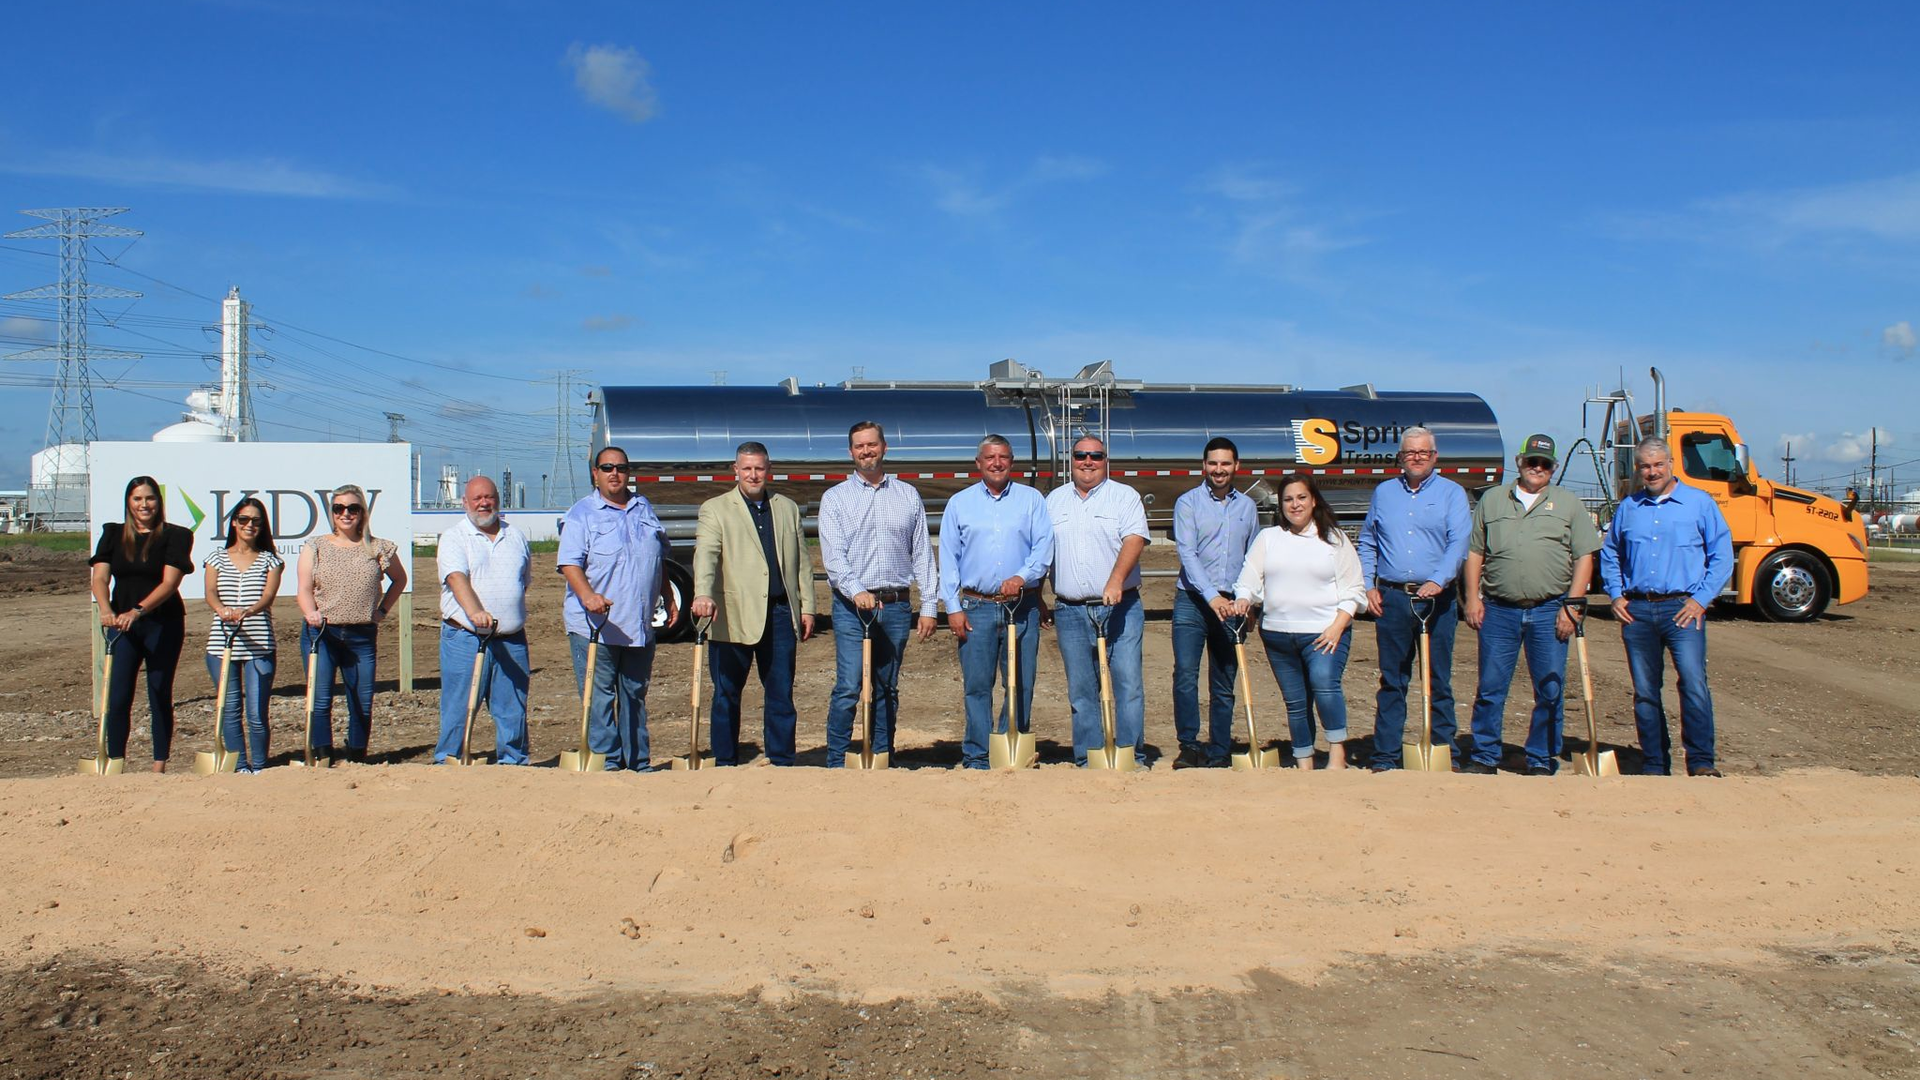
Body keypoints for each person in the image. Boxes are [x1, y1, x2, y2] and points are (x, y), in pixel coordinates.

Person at [1461, 434, 1602, 775]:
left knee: (1550, 689)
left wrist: (1572, 605)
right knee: (1491, 687)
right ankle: (1484, 755)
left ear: (1553, 468)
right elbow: (1475, 552)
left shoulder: (1568, 504)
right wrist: (1472, 598)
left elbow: (1585, 555)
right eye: (1531, 462)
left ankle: (1540, 757)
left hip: (1549, 609)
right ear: (1519, 462)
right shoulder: (1493, 500)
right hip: (1499, 610)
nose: (1537, 468)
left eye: (1545, 464)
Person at [1599, 436, 1735, 777]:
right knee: (1645, 692)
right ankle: (1655, 763)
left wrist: (1700, 600)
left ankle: (1701, 762)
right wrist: (1615, 594)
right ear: (1638, 469)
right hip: (1638, 611)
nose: (1652, 471)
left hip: (1683, 610)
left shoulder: (1699, 504)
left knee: (1693, 684)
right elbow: (1611, 554)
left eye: (1658, 464)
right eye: (1645, 466)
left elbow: (1721, 556)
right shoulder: (1629, 508)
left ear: (1671, 464)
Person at [817, 422, 939, 767]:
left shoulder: (907, 495)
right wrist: (856, 590)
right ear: (851, 452)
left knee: (886, 686)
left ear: (884, 447)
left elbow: (922, 553)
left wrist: (929, 605)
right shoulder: (835, 498)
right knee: (848, 686)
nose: (866, 451)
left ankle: (883, 755)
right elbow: (834, 557)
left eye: (872, 444)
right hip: (852, 609)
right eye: (859, 446)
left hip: (895, 606)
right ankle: (837, 760)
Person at [691, 442, 817, 766]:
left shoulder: (787, 508)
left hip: (780, 615)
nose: (753, 475)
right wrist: (702, 593)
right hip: (732, 616)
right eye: (746, 468)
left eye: (759, 468)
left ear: (769, 469)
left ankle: (782, 760)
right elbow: (706, 555)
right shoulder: (715, 509)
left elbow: (802, 561)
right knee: (726, 694)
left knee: (781, 694)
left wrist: (807, 607)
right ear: (735, 470)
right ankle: (725, 761)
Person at [1356, 426, 1472, 771]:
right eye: (1410, 452)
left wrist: (1438, 580)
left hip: (1438, 601)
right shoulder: (1384, 493)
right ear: (1400, 457)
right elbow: (1368, 541)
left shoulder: (1452, 493)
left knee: (1438, 678)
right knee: (1392, 680)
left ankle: (1443, 749)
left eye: (1423, 452)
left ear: (1434, 456)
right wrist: (1368, 585)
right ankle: (1386, 755)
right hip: (1393, 599)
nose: (1417, 458)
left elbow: (1459, 543)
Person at [1232, 474, 1366, 769]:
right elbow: (1248, 578)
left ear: (1314, 500)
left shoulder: (1334, 539)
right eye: (1288, 499)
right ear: (1280, 505)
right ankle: (1303, 760)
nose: (1295, 505)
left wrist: (1337, 627)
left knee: (1324, 685)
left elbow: (1354, 589)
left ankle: (1337, 755)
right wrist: (1244, 598)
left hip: (1324, 634)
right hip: (1278, 635)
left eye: (1301, 497)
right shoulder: (1269, 538)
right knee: (1295, 701)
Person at [937, 434, 1054, 770]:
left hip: (1022, 606)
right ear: (979, 463)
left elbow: (1043, 547)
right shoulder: (959, 504)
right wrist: (953, 607)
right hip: (977, 608)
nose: (996, 463)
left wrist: (1022, 576)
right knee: (977, 686)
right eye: (990, 457)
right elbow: (949, 558)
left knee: (1021, 683)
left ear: (1011, 462)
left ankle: (1010, 747)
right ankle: (977, 755)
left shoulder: (1032, 500)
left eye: (1003, 457)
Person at [558, 446, 675, 771]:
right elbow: (569, 563)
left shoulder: (643, 508)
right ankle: (607, 765)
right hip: (595, 627)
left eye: (621, 468)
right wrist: (588, 596)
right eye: (607, 468)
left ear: (628, 473)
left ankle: (638, 763)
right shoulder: (581, 514)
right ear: (595, 473)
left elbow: (658, 557)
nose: (615, 473)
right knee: (599, 700)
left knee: (634, 695)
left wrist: (668, 595)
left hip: (638, 625)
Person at [1045, 435, 1150, 767]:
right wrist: (1035, 594)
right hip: (1070, 610)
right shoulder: (1054, 501)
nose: (1087, 461)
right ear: (1071, 459)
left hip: (1120, 608)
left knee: (1128, 684)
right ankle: (1089, 757)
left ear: (1106, 460)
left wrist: (1115, 581)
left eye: (1095, 455)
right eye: (1080, 455)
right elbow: (1041, 550)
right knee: (1081, 690)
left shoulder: (1124, 496)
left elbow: (1135, 539)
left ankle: (1131, 755)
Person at [88, 476, 195, 772]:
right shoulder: (113, 534)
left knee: (159, 691)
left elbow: (170, 583)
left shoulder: (176, 535)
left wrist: (138, 611)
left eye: (150, 498)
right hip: (121, 626)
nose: (144, 505)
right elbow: (100, 578)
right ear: (128, 502)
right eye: (137, 499)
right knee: (118, 695)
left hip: (162, 623)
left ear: (158, 502)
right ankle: (115, 761)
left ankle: (159, 764)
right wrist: (106, 609)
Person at [296, 483, 407, 766]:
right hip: (322, 633)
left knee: (361, 700)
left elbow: (399, 579)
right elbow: (304, 588)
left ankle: (357, 756)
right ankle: (323, 755)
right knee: (320, 699)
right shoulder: (315, 546)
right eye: (339, 508)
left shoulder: (379, 547)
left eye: (353, 508)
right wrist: (310, 612)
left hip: (361, 636)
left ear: (362, 513)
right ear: (332, 513)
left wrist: (382, 611)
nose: (346, 514)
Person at [1170, 436, 1260, 768]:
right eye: (1213, 463)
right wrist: (1212, 597)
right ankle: (1189, 745)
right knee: (1185, 675)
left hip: (1233, 604)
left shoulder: (1247, 507)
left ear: (1236, 466)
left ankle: (1220, 749)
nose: (1218, 469)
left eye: (1225, 463)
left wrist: (1252, 602)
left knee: (1224, 679)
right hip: (1193, 601)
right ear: (1203, 466)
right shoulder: (1188, 503)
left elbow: (1253, 558)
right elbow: (1187, 553)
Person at [435, 475, 533, 766]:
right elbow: (456, 579)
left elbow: (524, 581)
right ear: (465, 502)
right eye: (477, 498)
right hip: (466, 637)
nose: (483, 503)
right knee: (460, 705)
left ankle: (513, 761)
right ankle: (448, 759)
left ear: (498, 500)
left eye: (489, 497)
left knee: (512, 706)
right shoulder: (454, 537)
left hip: (511, 638)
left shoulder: (516, 536)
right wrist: (476, 612)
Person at [201, 497, 282, 774]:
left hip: (259, 644)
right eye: (244, 519)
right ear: (234, 523)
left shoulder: (270, 561)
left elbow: (268, 596)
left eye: (256, 521)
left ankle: (259, 766)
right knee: (230, 710)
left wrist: (249, 610)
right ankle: (239, 767)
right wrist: (221, 609)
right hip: (222, 645)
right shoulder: (216, 557)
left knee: (257, 713)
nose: (250, 525)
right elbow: (210, 592)